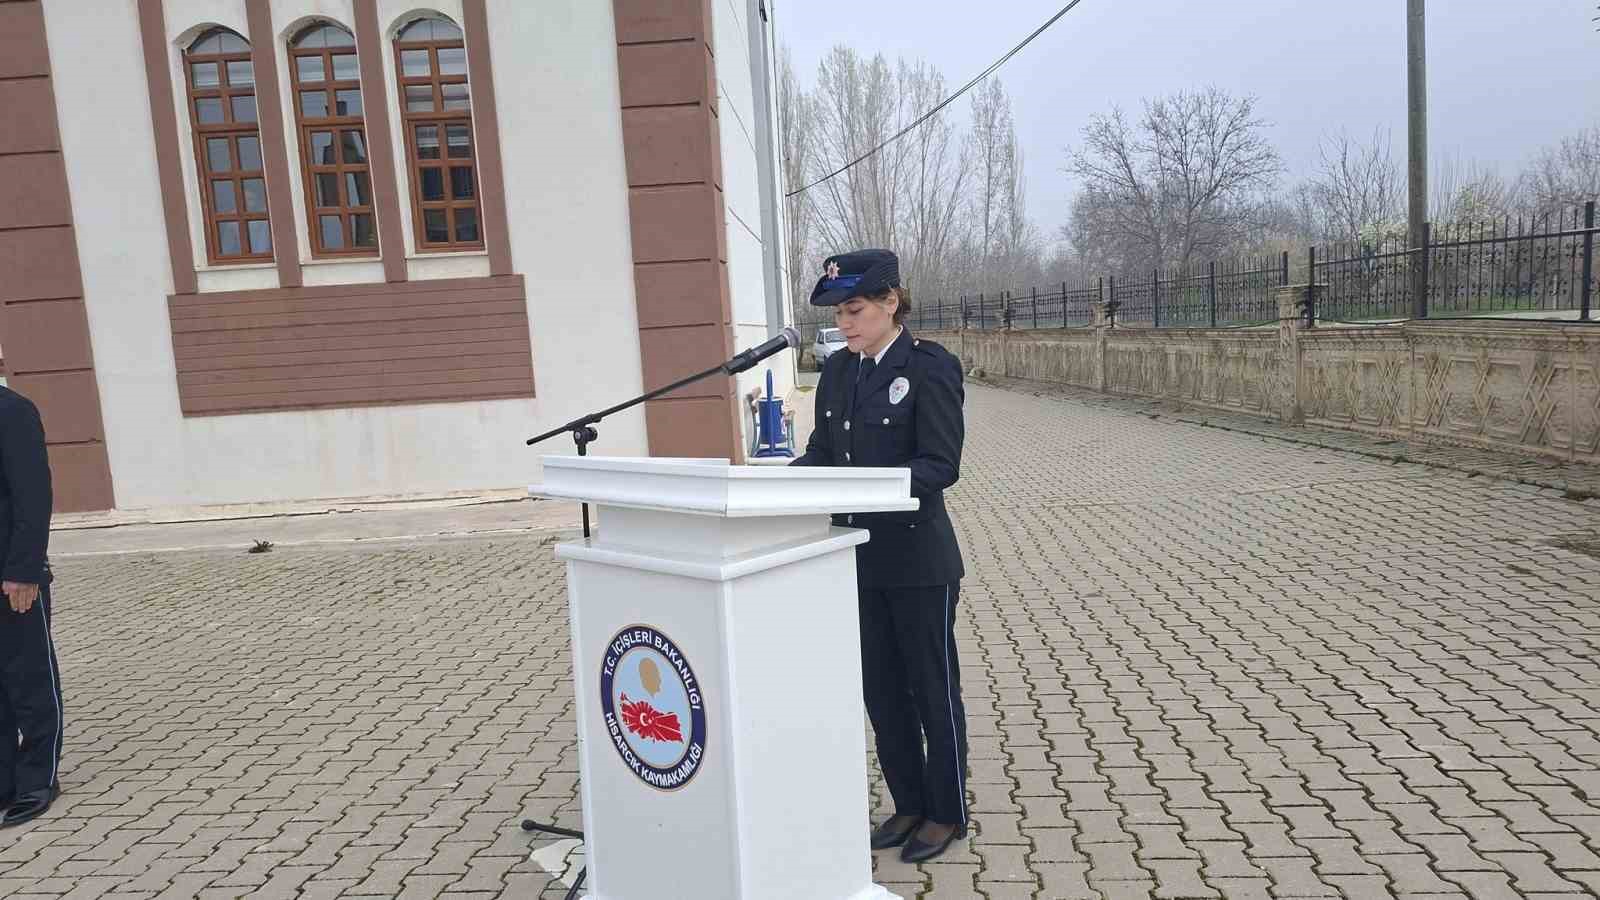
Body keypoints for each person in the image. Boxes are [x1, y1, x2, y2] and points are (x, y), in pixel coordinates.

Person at [791, 249, 969, 863]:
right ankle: (909, 803)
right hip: (856, 558)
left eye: (855, 309)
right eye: (840, 312)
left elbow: (940, 465)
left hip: (918, 560)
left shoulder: (930, 368)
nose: (844, 323)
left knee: (930, 687)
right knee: (883, 690)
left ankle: (947, 811)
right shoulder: (840, 372)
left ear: (891, 302)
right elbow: (820, 451)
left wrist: (863, 485)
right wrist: (776, 485)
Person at [0, 385, 61, 828]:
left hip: (11, 577)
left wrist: (24, 570)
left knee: (29, 678)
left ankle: (39, 778)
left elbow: (33, 495)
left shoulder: (13, 411)